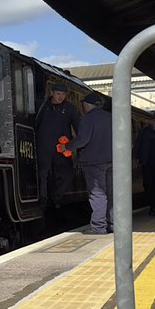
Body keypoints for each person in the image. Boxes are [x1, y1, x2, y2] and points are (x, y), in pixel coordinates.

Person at [68, 91, 113, 234]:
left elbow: (82, 139)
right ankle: (112, 224)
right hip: (113, 161)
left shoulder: (88, 118)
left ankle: (99, 227)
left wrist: (67, 146)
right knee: (111, 193)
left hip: (94, 162)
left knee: (97, 194)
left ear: (87, 106)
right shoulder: (111, 117)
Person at [34, 82, 79, 208]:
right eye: (58, 94)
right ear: (52, 93)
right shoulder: (42, 106)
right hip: (44, 146)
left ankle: (56, 197)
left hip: (62, 148)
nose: (60, 97)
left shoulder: (70, 108)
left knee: (67, 174)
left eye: (63, 94)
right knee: (43, 174)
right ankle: (43, 199)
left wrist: (74, 144)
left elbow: (78, 127)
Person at [137, 113, 155, 216]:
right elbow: (138, 144)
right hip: (148, 164)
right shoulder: (144, 132)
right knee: (149, 186)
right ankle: (153, 207)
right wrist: (135, 158)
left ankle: (154, 207)